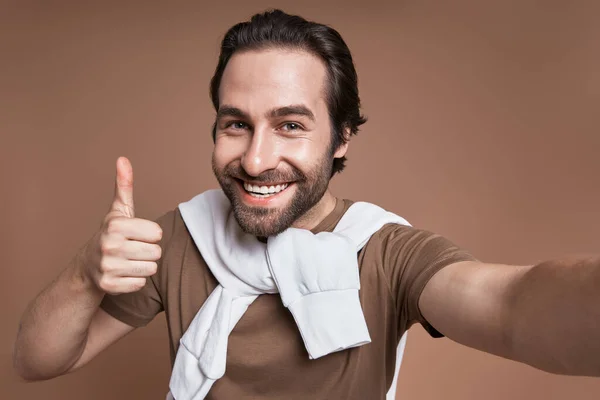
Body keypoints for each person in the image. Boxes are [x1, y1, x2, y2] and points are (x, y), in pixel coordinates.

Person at [12, 9, 600, 400]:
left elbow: (513, 308)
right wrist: (86, 273)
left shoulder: (386, 253)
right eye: (236, 124)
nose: (256, 159)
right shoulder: (179, 238)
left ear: (342, 137)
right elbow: (38, 361)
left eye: (290, 124)